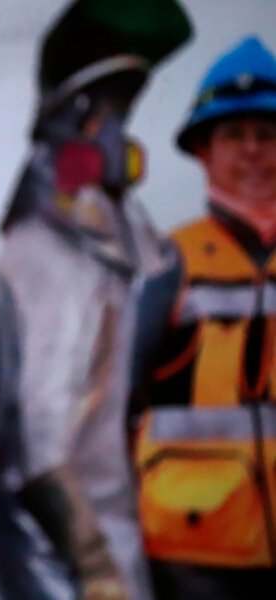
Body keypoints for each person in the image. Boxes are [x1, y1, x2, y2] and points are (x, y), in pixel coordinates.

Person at [0, 1, 193, 599]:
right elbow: (41, 445)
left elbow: (153, 280)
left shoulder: (108, 224)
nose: (123, 136)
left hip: (116, 524)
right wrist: (95, 567)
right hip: (65, 555)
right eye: (113, 114)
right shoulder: (45, 248)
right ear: (74, 120)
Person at [130, 36, 276, 600]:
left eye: (266, 134)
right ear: (203, 151)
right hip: (191, 561)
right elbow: (112, 412)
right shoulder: (169, 264)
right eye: (232, 135)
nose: (252, 151)